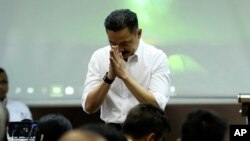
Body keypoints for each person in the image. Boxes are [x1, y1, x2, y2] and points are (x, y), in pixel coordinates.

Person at [82, 9, 171, 128]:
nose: (119, 49)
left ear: (138, 34)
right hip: (112, 130)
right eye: (113, 43)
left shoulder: (157, 57)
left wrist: (124, 76)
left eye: (124, 43)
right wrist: (109, 78)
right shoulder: (99, 57)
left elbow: (157, 107)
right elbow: (89, 107)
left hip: (145, 130)